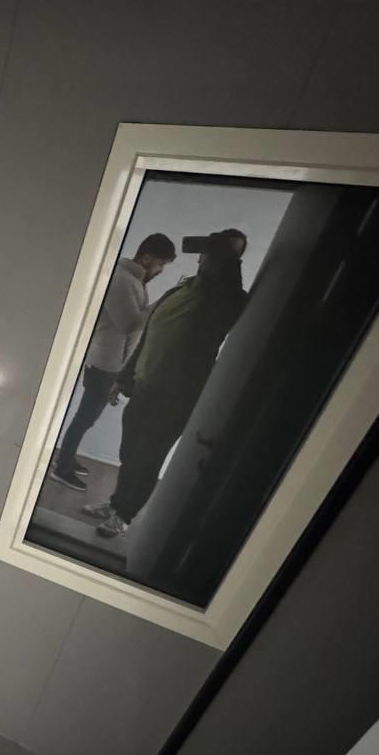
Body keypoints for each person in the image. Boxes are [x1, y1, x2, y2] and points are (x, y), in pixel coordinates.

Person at [84, 228, 248, 538]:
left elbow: (228, 290)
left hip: (175, 400)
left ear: (231, 261)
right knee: (130, 453)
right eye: (212, 249)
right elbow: (149, 335)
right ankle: (117, 504)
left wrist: (226, 257)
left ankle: (124, 515)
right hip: (144, 388)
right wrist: (124, 378)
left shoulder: (227, 300)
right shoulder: (181, 289)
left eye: (225, 253)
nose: (212, 256)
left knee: (148, 459)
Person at [49, 233, 177, 490]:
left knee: (88, 416)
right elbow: (129, 324)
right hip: (104, 362)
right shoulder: (121, 280)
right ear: (147, 257)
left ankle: (66, 459)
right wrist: (160, 305)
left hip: (110, 362)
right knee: (86, 416)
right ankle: (62, 467)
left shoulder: (134, 280)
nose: (161, 270)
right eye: (160, 263)